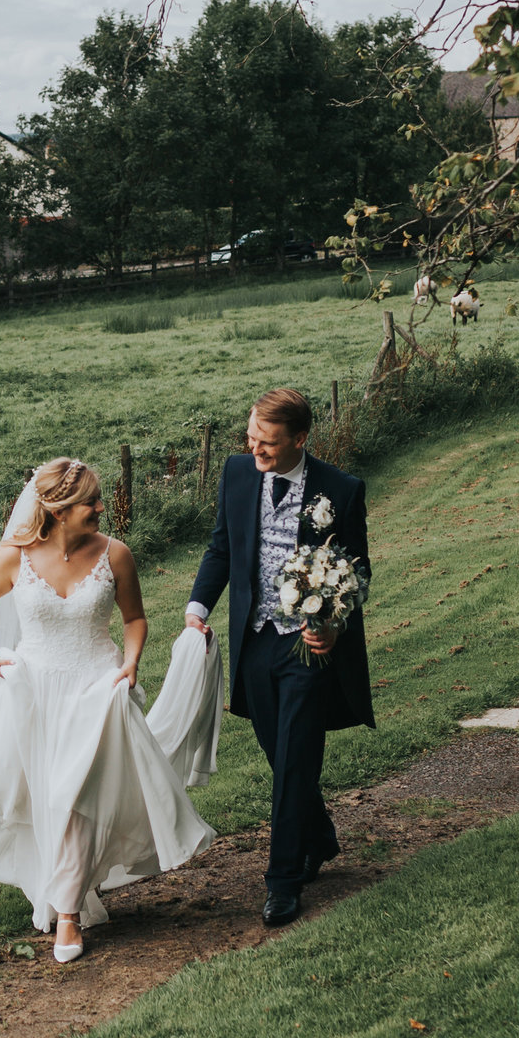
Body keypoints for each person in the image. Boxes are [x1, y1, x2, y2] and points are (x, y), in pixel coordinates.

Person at [0, 458, 223, 963]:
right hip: (34, 691)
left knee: (76, 797)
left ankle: (68, 916)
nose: (100, 508)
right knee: (46, 798)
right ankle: (62, 892)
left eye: (97, 500)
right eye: (90, 503)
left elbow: (135, 619)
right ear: (55, 510)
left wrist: (132, 662)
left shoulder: (116, 555)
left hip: (97, 687)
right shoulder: (15, 556)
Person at [186, 388, 373, 927]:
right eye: (251, 438)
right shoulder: (238, 474)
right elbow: (222, 545)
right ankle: (319, 836)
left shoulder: (340, 489)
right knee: (277, 747)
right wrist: (198, 608)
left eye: (267, 443)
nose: (256, 450)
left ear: (299, 439)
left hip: (306, 644)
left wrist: (332, 627)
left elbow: (356, 570)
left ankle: (283, 881)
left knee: (294, 756)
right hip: (255, 637)